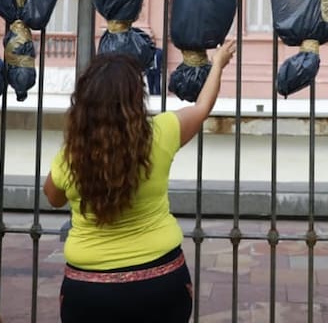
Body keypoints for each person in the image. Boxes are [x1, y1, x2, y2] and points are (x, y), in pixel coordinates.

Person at [43, 41, 236, 323]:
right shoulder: (161, 133)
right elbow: (203, 107)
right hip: (160, 282)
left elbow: (53, 197)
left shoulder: (71, 157)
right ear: (136, 99)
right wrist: (217, 64)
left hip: (88, 290)